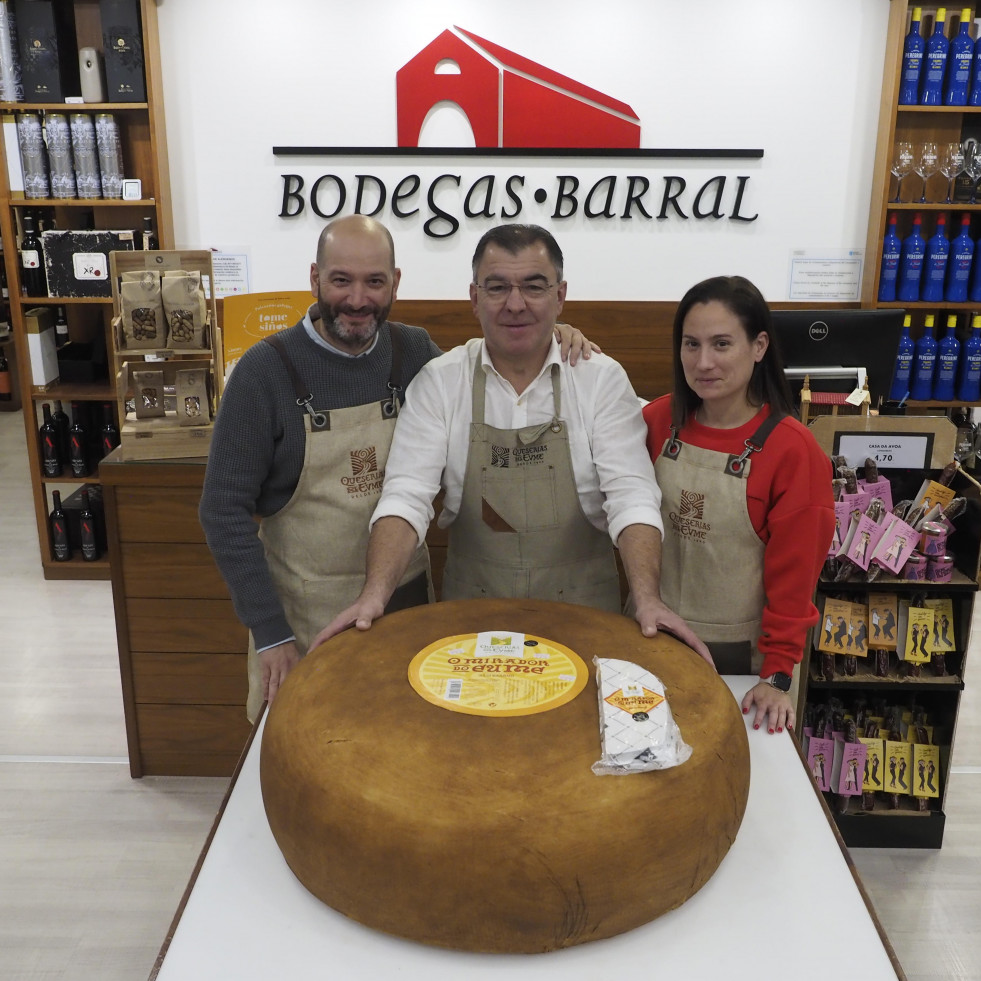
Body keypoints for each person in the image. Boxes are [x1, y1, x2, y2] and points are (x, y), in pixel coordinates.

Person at [199, 216, 595, 720]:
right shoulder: (264, 372)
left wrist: (550, 334)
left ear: (396, 283)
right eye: (341, 280)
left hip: (408, 607)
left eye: (374, 282)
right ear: (315, 278)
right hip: (305, 616)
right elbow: (222, 512)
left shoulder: (413, 353)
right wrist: (269, 632)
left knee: (405, 749)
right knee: (307, 757)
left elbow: (498, 366)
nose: (358, 299)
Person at [310, 223, 709, 659]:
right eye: (497, 287)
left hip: (586, 624)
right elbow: (406, 499)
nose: (515, 304)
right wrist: (374, 595)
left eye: (534, 287)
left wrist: (648, 598)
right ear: (474, 298)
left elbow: (631, 497)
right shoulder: (441, 381)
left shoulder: (600, 380)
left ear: (560, 296)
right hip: (472, 628)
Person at [643, 275, 834, 735]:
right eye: (691, 344)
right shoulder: (656, 421)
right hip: (653, 638)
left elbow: (796, 578)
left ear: (759, 345)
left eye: (722, 344)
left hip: (742, 659)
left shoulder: (793, 450)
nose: (703, 362)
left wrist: (777, 674)